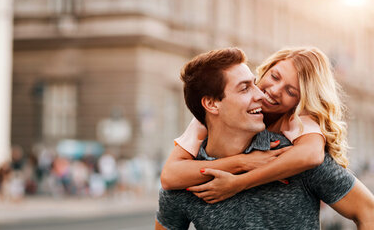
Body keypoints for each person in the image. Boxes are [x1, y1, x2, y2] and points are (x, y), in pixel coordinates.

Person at [155, 47, 374, 229]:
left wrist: (240, 182)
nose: (266, 93)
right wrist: (243, 163)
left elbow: (367, 210)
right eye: (274, 77)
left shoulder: (295, 149)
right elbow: (170, 176)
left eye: (291, 91)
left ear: (299, 103)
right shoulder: (191, 167)